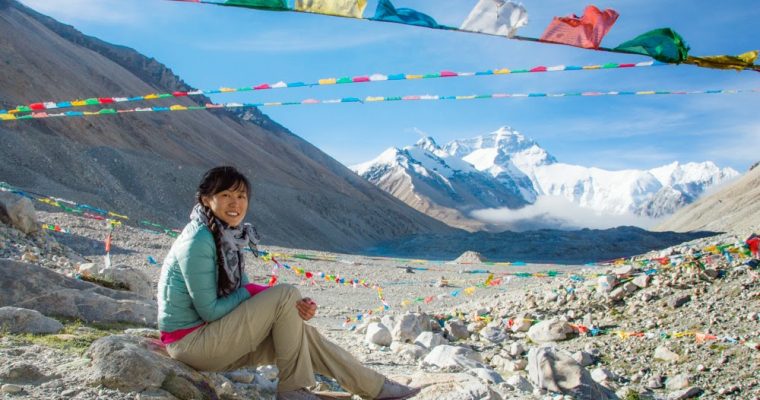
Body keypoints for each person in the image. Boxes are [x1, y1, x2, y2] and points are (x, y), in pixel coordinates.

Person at [158, 166, 420, 400]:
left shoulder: (226, 235)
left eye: (241, 196)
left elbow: (242, 290)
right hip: (192, 344)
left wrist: (291, 306)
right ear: (206, 199)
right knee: (286, 295)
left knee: (301, 331)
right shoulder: (198, 240)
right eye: (225, 195)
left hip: (214, 337)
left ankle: (375, 387)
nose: (235, 203)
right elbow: (210, 310)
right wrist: (274, 298)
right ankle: (292, 390)